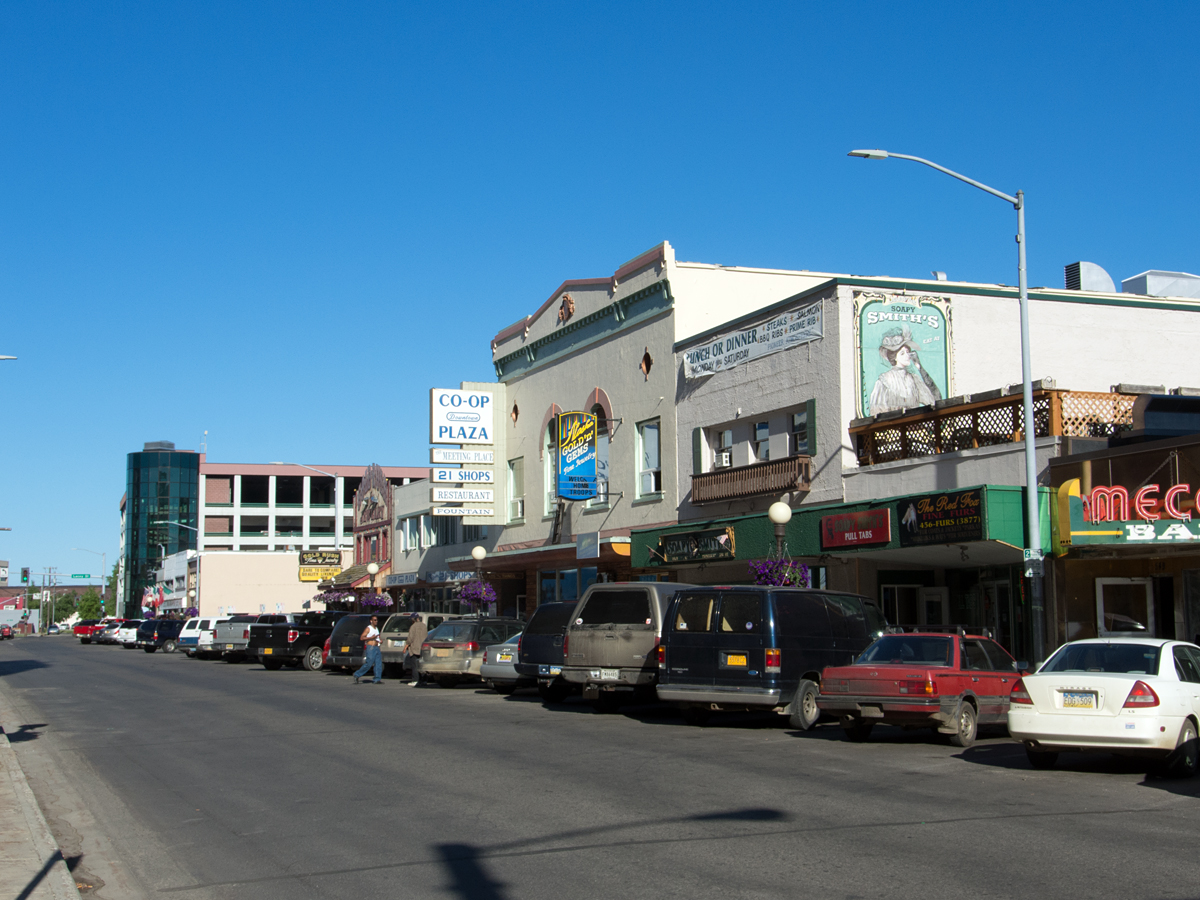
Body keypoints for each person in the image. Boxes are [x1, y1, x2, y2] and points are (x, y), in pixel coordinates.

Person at [868, 326, 942, 414]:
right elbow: (877, 412)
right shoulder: (884, 380)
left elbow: (934, 401)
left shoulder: (914, 379)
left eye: (908, 352)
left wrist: (920, 368)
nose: (907, 356)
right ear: (894, 357)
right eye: (902, 353)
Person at [353, 615, 383, 684]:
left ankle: (377, 679)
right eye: (374, 620)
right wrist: (371, 638)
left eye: (377, 620)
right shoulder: (368, 628)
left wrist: (380, 641)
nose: (376, 621)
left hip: (376, 647)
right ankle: (357, 674)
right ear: (371, 621)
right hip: (370, 647)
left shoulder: (376, 628)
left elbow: (377, 638)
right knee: (369, 663)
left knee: (378, 663)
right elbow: (362, 638)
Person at [404, 615, 428, 687]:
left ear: (413, 620)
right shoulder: (424, 626)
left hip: (414, 648)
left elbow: (410, 638)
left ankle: (415, 680)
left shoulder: (413, 626)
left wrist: (406, 646)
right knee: (422, 665)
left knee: (415, 665)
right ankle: (424, 680)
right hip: (422, 648)